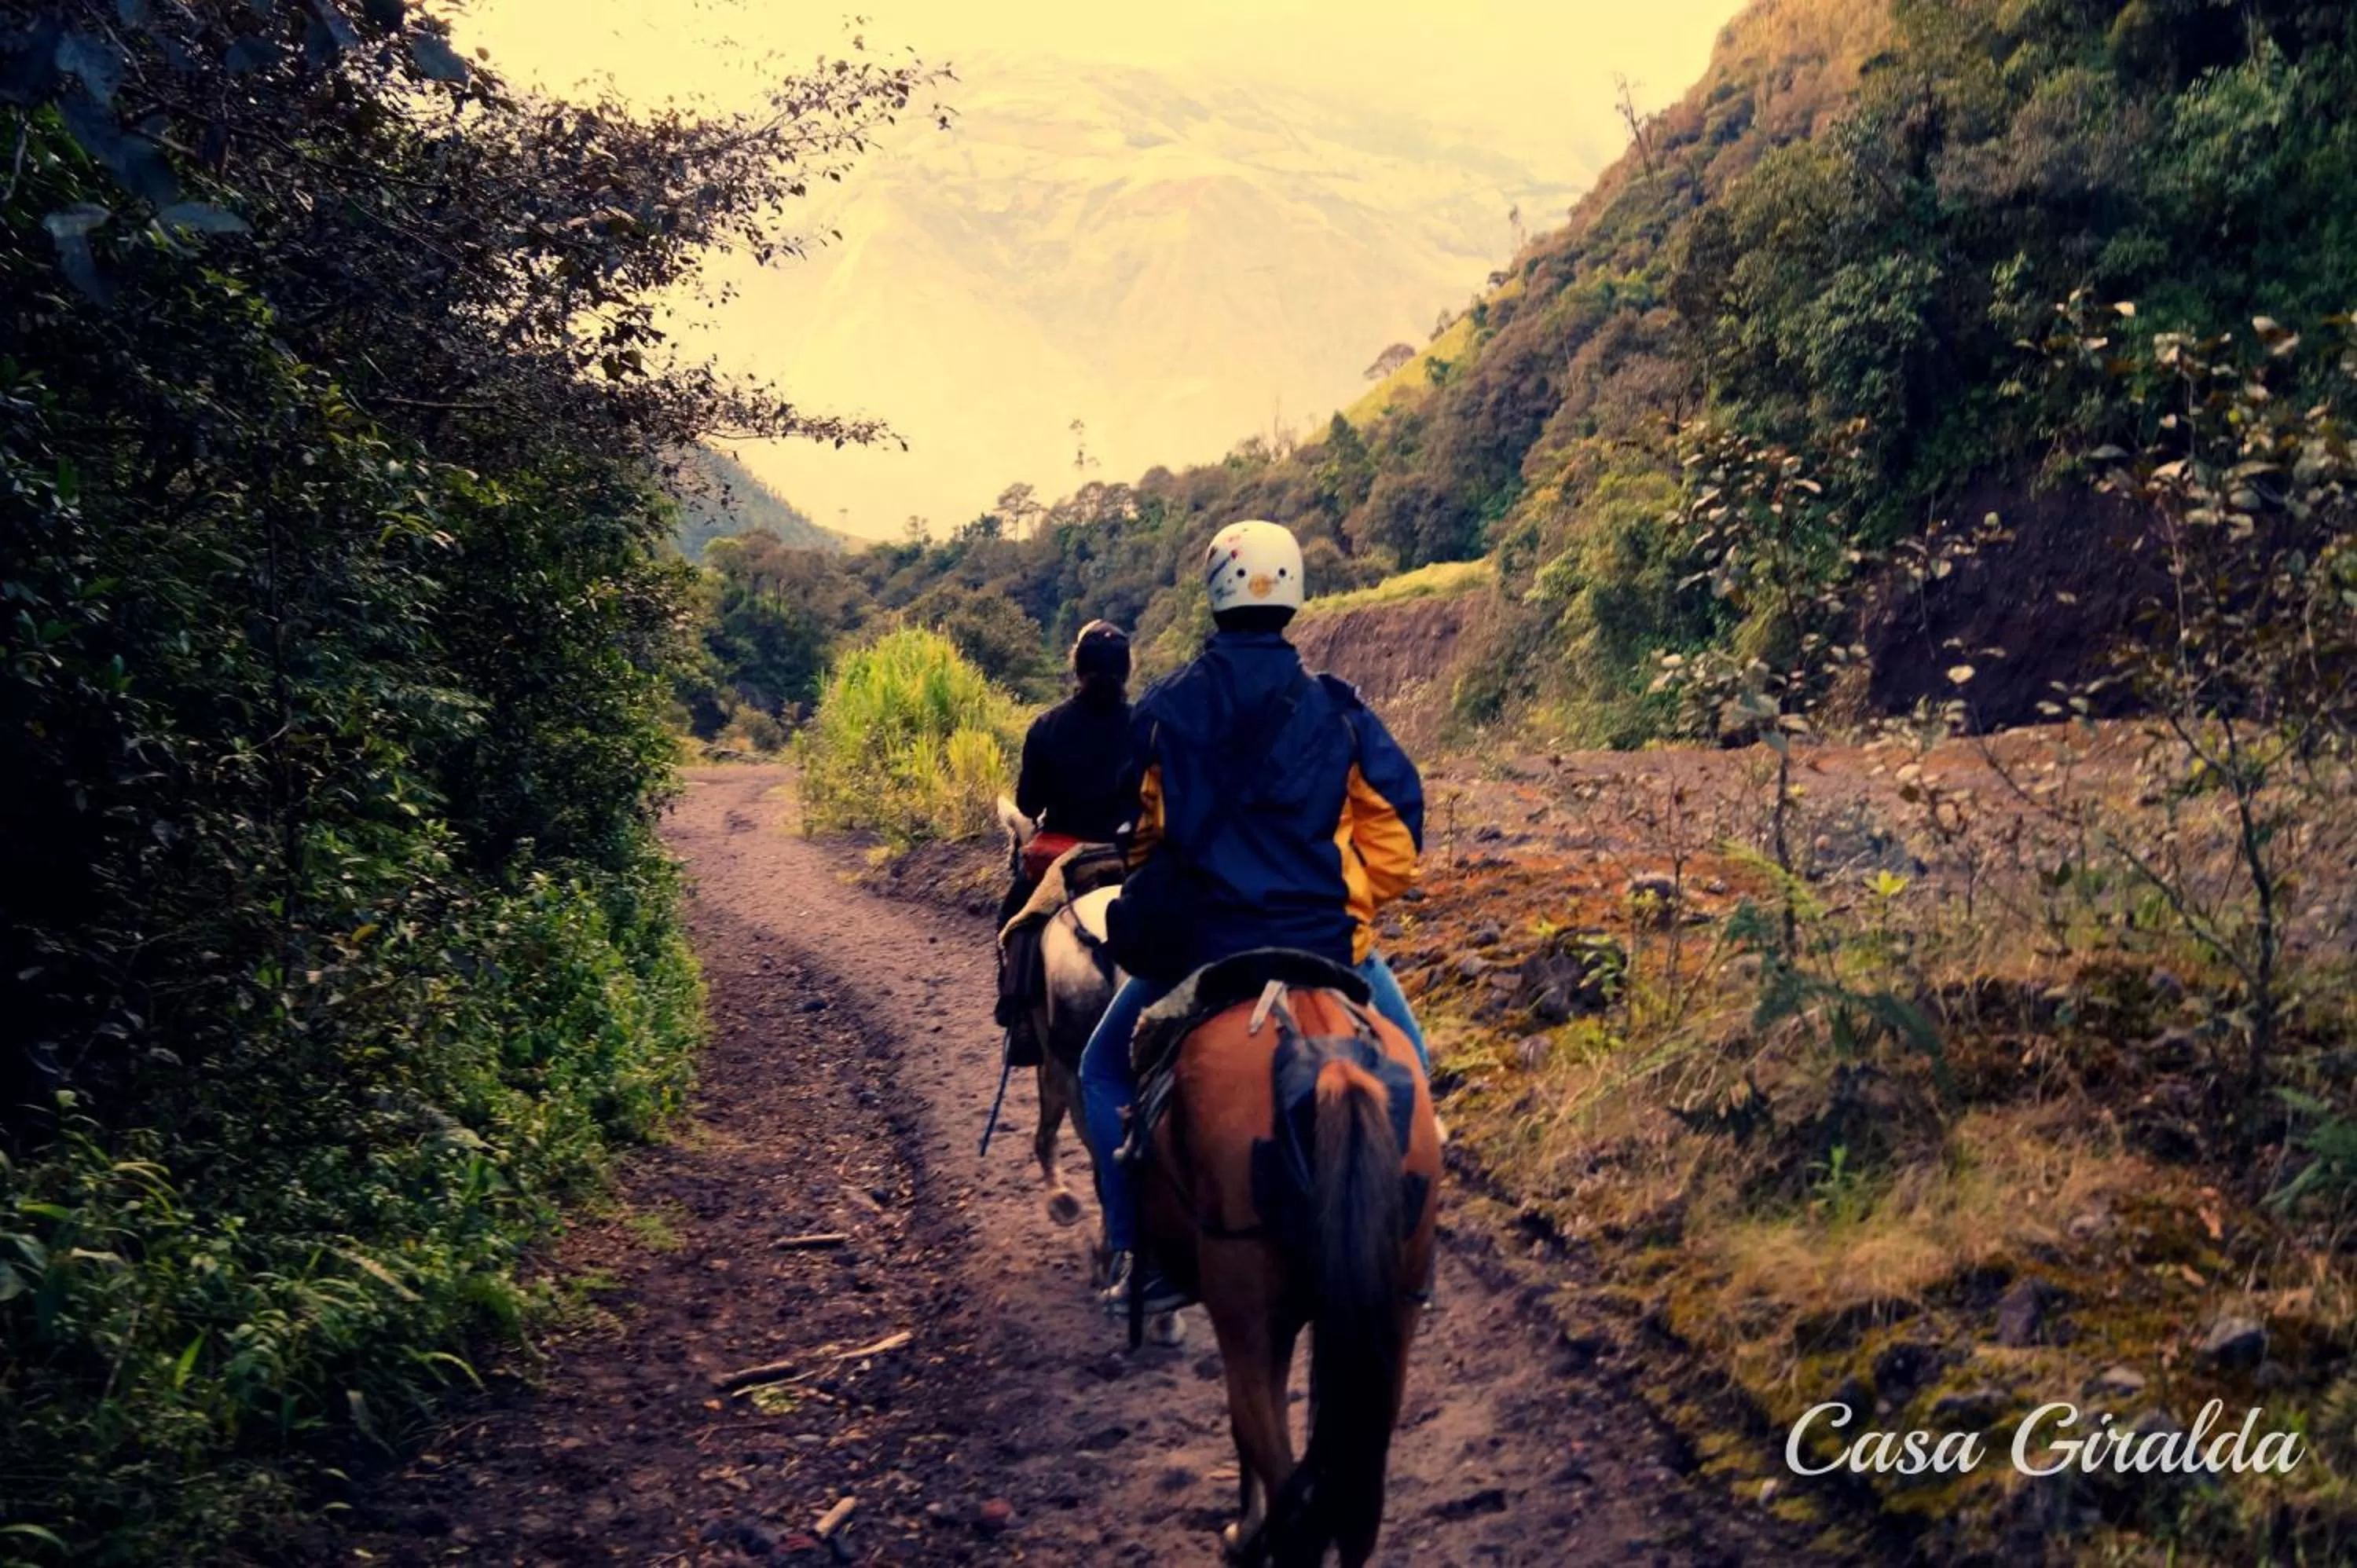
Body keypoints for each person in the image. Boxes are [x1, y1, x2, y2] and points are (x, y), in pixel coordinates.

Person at [1083, 519, 1429, 1313]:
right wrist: (1349, 903)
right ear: (1295, 596)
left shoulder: (1167, 710)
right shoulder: (1339, 713)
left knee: (1103, 1069)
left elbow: (1140, 841)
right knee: (1414, 1063)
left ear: (1214, 596)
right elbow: (1398, 839)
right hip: (1326, 944)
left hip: (1203, 949)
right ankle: (1413, 1256)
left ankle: (1142, 1254)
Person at [995, 621, 1135, 1064]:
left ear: (1077, 668)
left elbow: (1028, 802)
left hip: (1067, 857)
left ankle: (1019, 1015)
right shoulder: (1147, 723)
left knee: (1019, 918)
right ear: (1127, 670)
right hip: (1132, 854)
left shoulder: (1047, 727)